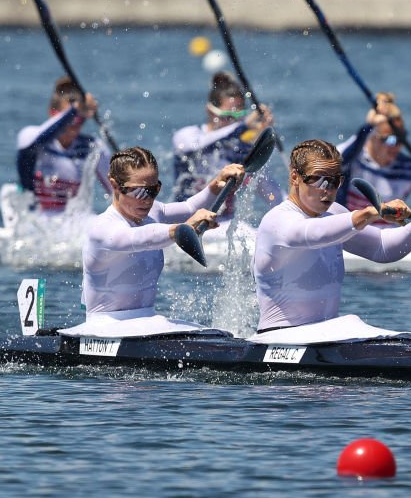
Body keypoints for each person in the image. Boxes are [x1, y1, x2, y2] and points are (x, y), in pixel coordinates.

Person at [253, 139, 411, 333]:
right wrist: (370, 212)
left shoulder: (335, 213)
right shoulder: (277, 221)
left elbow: (382, 248)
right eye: (319, 179)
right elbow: (312, 233)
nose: (328, 189)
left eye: (334, 181)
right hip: (280, 335)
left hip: (325, 334)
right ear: (295, 177)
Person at [80, 146, 245, 319]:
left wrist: (217, 183)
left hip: (146, 321)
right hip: (104, 326)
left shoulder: (153, 212)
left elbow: (189, 207)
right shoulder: (103, 228)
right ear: (114, 185)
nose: (148, 199)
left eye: (153, 190)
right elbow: (139, 238)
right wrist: (181, 229)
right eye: (139, 191)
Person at [172, 71, 281, 220]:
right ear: (210, 111)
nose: (233, 122)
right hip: (188, 222)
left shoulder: (239, 150)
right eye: (228, 117)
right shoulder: (187, 135)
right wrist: (242, 126)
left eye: (238, 117)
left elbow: (274, 196)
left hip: (223, 224)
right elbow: (191, 147)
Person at [336, 93, 411, 219]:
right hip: (351, 233)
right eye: (390, 140)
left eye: (401, 139)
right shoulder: (352, 158)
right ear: (372, 137)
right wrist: (368, 126)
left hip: (389, 235)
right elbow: (341, 159)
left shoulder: (410, 168)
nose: (397, 146)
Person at [16, 76, 113, 213]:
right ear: (53, 114)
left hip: (75, 224)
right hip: (35, 221)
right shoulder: (29, 136)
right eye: (69, 118)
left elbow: (116, 191)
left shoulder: (93, 147)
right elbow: (38, 139)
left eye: (80, 118)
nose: (74, 124)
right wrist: (74, 110)